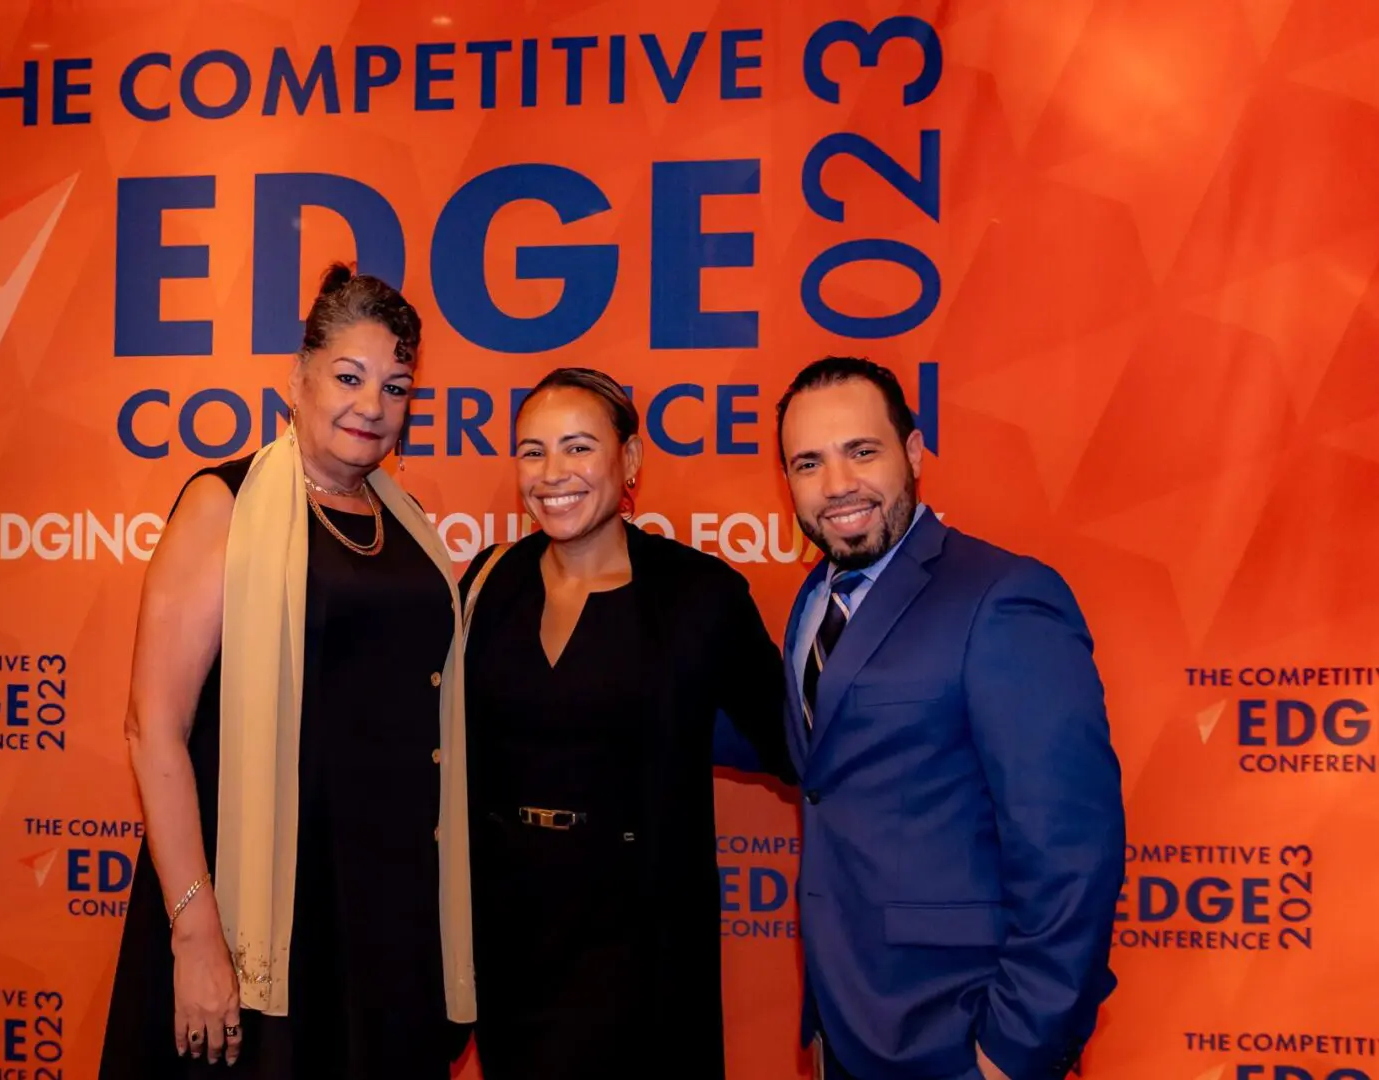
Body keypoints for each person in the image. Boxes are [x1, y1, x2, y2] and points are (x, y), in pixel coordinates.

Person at [99, 265, 474, 1079]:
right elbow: (152, 725)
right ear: (295, 380)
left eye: (397, 386)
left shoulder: (408, 528)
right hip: (260, 908)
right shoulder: (223, 504)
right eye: (349, 377)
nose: (372, 406)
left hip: (385, 913)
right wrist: (196, 934)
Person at [776, 357, 1126, 1080]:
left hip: (959, 1032)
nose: (837, 485)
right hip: (844, 1025)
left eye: (861, 451)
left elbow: (1071, 851)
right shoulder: (813, 602)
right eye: (808, 462)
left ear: (912, 454)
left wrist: (1012, 1051)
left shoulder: (1002, 597)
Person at [458, 367, 795, 1080]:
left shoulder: (701, 597)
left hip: (642, 942)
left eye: (579, 447)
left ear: (630, 461)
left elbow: (797, 743)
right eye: (532, 451)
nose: (553, 474)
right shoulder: (486, 583)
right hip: (509, 930)